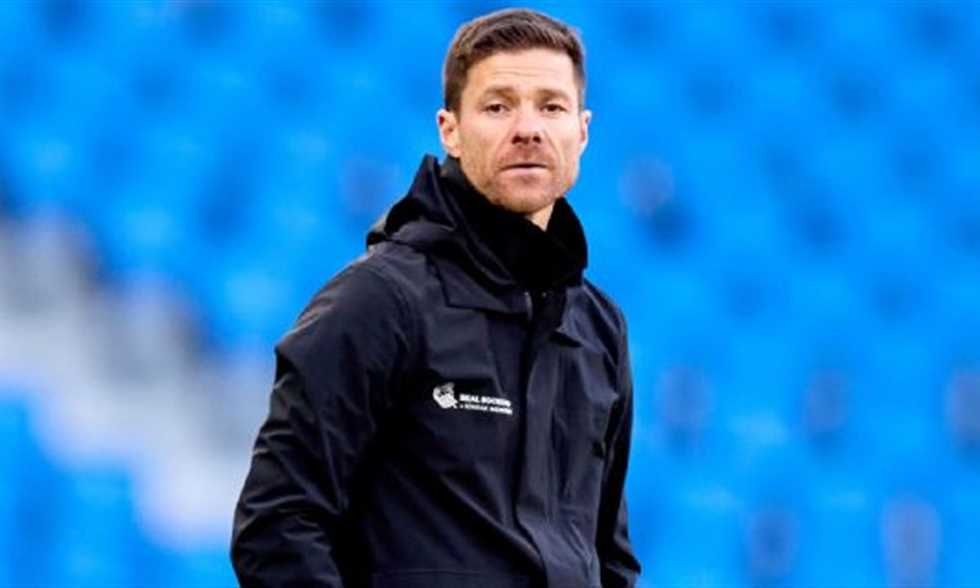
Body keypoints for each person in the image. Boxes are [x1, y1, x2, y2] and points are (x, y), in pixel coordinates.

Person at [232, 7, 641, 588]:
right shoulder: (377, 302)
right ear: (450, 129)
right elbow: (277, 526)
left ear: (582, 131)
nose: (528, 128)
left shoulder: (597, 327)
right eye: (498, 106)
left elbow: (608, 557)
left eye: (551, 107)